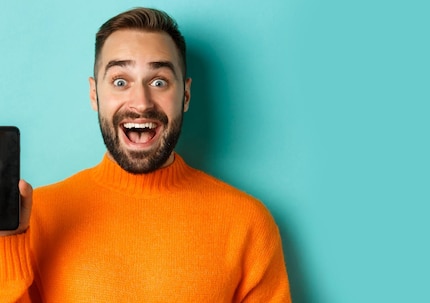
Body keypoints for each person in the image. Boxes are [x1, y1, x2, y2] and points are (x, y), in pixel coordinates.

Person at [0, 7, 291, 302]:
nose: (140, 102)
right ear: (94, 94)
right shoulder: (37, 218)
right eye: (120, 81)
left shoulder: (247, 224)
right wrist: (7, 244)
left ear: (186, 95)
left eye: (159, 82)